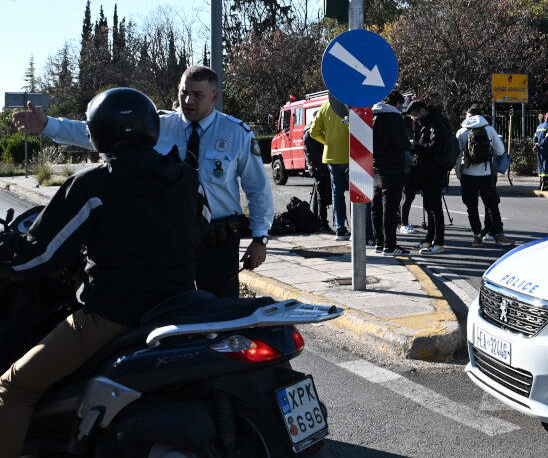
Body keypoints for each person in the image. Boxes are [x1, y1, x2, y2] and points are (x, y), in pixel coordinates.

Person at [0, 88, 210, 454]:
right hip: (178, 305)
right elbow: (201, 229)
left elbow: (40, 257)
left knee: (13, 388)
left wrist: (8, 253)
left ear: (98, 132)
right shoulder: (185, 176)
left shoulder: (94, 184)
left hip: (113, 315)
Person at [13, 65, 271, 298]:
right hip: (165, 238)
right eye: (184, 92)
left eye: (197, 95)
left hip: (216, 242)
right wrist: (48, 125)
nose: (188, 100)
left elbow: (257, 189)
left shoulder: (236, 134)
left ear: (214, 96)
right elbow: (96, 129)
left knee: (219, 314)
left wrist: (260, 239)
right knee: (165, 312)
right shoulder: (156, 125)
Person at [456, 106, 513, 248]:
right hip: (486, 174)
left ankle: (476, 237)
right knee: (492, 205)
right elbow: (500, 151)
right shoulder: (489, 129)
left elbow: (457, 156)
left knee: (471, 207)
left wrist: (459, 174)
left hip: (468, 175)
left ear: (469, 116)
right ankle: (499, 236)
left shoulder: (462, 131)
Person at [408, 100, 452, 254]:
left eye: (414, 115)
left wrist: (416, 146)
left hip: (434, 172)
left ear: (421, 111)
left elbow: (435, 147)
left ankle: (438, 242)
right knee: (428, 207)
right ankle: (429, 239)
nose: (414, 119)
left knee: (435, 209)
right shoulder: (426, 123)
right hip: (426, 172)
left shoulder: (436, 123)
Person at [371, 89, 410, 256]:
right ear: (398, 104)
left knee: (377, 206)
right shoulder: (394, 118)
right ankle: (390, 245)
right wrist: (409, 143)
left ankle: (379, 242)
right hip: (392, 167)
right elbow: (402, 143)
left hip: (375, 166)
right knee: (390, 207)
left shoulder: (372, 116)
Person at [309, 96, 353, 242]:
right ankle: (359, 228)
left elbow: (313, 132)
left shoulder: (325, 106)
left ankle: (340, 228)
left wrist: (327, 141)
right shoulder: (350, 104)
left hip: (332, 156)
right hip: (351, 155)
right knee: (356, 193)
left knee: (337, 193)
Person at [303, 115, 333, 231]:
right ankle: (322, 222)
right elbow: (314, 154)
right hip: (318, 168)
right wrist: (321, 167)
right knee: (321, 196)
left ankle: (317, 219)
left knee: (318, 193)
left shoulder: (309, 132)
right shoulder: (311, 133)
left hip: (316, 167)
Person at [534, 112, 548, 191]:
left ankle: (541, 184)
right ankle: (545, 185)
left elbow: (535, 139)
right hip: (546, 149)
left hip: (539, 150)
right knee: (546, 166)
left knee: (540, 166)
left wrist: (536, 145)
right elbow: (547, 139)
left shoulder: (539, 127)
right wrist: (539, 144)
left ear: (545, 118)